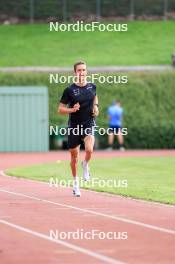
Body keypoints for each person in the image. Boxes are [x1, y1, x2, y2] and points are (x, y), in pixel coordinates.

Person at [58, 61, 99, 197]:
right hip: (74, 127)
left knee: (89, 150)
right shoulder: (69, 90)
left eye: (84, 70)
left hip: (88, 124)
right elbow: (60, 109)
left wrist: (96, 107)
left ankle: (85, 164)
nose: (82, 72)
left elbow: (95, 97)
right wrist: (72, 109)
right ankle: (76, 184)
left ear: (86, 71)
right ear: (75, 72)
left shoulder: (92, 86)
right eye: (79, 70)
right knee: (74, 158)